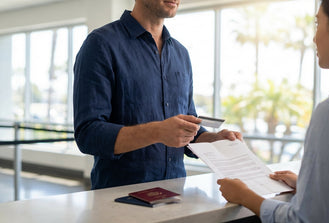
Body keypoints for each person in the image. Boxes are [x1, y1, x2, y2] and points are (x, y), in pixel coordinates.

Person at [217, 0, 329, 222]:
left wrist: (246, 196)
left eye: (317, 23)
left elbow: (304, 220)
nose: (314, 37)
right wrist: (308, 185)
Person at [73, 0, 242, 190]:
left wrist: (213, 140)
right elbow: (88, 134)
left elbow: (187, 132)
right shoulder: (100, 44)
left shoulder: (181, 54)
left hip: (176, 195)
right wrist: (158, 131)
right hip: (120, 200)